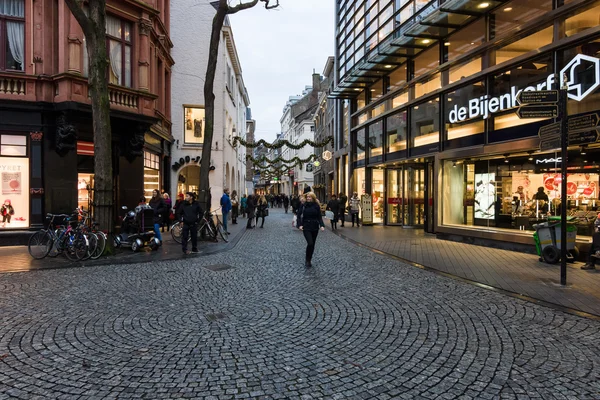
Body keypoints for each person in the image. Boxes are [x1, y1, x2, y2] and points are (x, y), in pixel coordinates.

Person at [299, 192, 325, 268]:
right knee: (310, 243)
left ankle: (309, 259)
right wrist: (300, 225)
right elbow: (299, 215)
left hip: (314, 226)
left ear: (313, 198)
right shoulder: (304, 205)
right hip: (306, 226)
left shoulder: (316, 206)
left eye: (310, 197)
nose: (308, 198)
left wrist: (322, 225)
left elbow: (319, 217)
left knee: (312, 244)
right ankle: (307, 260)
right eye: (307, 197)